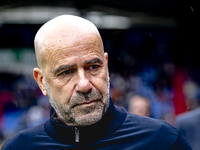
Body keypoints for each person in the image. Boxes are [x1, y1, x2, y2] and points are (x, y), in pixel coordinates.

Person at [2, 15, 192, 150]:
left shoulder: (163, 141)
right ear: (42, 82)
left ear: (106, 65)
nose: (84, 85)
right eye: (67, 72)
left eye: (93, 67)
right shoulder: (19, 148)